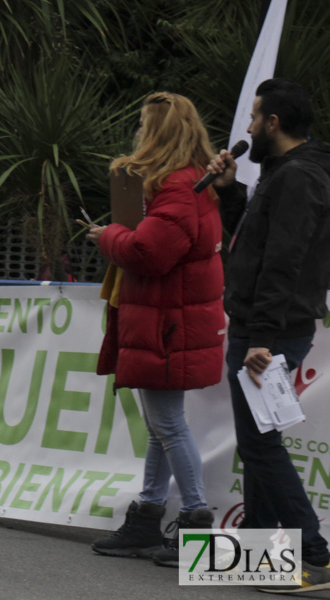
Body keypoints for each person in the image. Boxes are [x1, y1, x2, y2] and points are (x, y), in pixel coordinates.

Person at [85, 92, 224, 567]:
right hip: (171, 319)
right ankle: (148, 515)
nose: (139, 134)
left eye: (144, 126)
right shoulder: (193, 183)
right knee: (161, 424)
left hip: (166, 322)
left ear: (160, 132)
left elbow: (149, 253)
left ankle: (195, 518)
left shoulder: (176, 188)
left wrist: (107, 236)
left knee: (167, 424)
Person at [206, 78, 330, 592]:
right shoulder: (285, 174)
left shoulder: (298, 178)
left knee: (260, 447)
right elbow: (251, 248)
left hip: (268, 332)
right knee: (259, 444)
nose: (249, 127)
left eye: (255, 118)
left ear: (274, 124)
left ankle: (315, 555)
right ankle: (257, 552)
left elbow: (284, 262)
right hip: (265, 328)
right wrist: (230, 192)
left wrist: (260, 336)